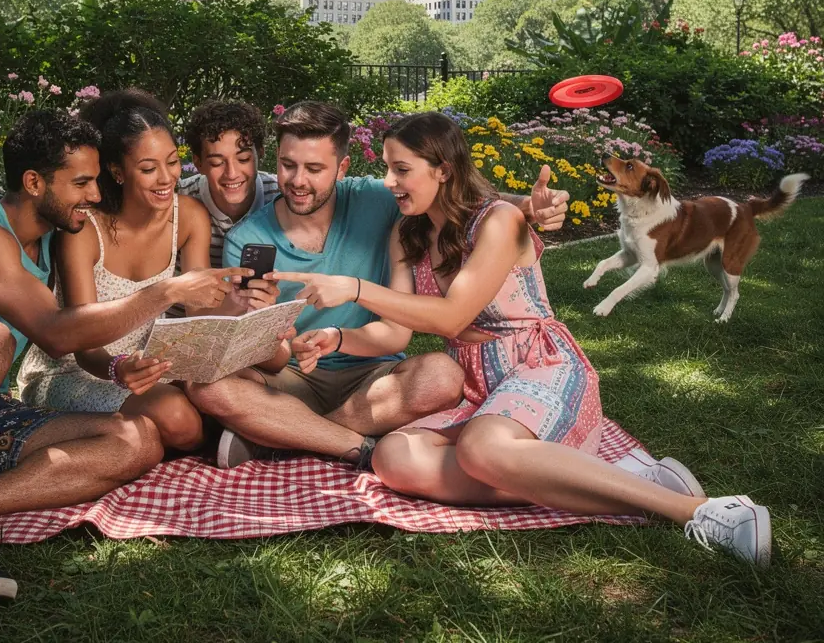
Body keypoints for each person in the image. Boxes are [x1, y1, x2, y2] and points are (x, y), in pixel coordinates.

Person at [272, 111, 771, 566]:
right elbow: (394, 332)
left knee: (482, 449)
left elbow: (451, 317)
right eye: (387, 168)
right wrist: (337, 337)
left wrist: (356, 288)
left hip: (540, 367)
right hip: (481, 389)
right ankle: (621, 483)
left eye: (401, 170)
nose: (389, 182)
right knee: (392, 457)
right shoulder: (409, 233)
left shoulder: (500, 220)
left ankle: (702, 511)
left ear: (443, 170)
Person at [0, 110, 250, 603]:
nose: (95, 195)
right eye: (81, 183)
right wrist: (165, 292)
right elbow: (55, 334)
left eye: (96, 180)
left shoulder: (53, 234)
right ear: (34, 182)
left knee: (138, 440)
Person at [187, 101, 571, 471]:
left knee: (443, 375)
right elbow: (261, 352)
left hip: (372, 378)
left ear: (342, 168)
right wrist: (263, 328)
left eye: (315, 168)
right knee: (205, 386)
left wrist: (525, 206)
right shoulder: (246, 239)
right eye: (288, 165)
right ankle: (355, 446)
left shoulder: (375, 199)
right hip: (290, 376)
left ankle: (287, 433)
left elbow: (449, 195)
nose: (298, 181)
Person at [18, 90, 212, 452]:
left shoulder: (189, 217)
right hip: (75, 372)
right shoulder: (85, 230)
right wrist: (118, 369)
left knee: (219, 391)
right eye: (148, 169)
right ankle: (213, 446)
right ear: (117, 172)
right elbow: (84, 346)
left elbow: (200, 315)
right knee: (176, 416)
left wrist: (242, 308)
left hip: (145, 368)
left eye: (172, 162)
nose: (166, 178)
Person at [178, 99, 279, 268]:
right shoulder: (180, 201)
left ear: (260, 153)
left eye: (243, 159)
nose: (231, 174)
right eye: (216, 163)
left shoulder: (282, 196)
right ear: (198, 163)